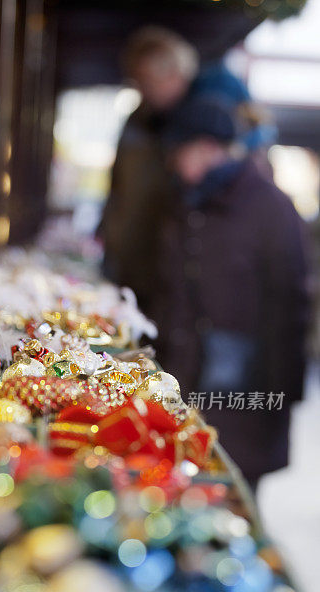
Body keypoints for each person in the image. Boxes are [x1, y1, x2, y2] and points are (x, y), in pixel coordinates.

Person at [150, 95, 310, 487]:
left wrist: (281, 401)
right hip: (185, 378)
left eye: (179, 152)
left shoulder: (271, 207)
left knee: (236, 497)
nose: (172, 163)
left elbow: (292, 307)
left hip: (247, 395)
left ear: (208, 148)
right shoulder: (186, 202)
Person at [100, 26, 275, 304]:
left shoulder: (213, 112)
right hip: (147, 265)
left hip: (196, 280)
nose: (143, 91)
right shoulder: (145, 119)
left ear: (173, 73)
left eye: (147, 81)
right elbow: (120, 186)